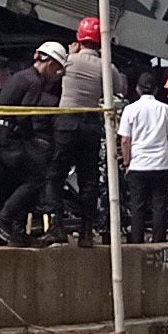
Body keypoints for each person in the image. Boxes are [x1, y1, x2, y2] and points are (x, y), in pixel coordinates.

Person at [0, 45, 62, 245]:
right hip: (6, 139)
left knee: (19, 179)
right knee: (37, 177)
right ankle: (3, 220)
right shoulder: (34, 82)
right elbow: (23, 115)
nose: (58, 75)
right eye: (58, 69)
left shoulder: (20, 76)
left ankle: (17, 233)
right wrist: (31, 139)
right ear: (50, 63)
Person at [58, 16, 111, 237]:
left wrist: (72, 53)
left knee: (56, 174)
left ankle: (55, 227)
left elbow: (55, 76)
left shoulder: (69, 60)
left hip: (66, 122)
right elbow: (119, 86)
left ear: (79, 39)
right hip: (90, 125)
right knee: (88, 178)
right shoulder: (106, 66)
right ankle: (87, 230)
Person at [120, 67, 168, 242]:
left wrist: (126, 162)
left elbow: (125, 140)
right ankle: (159, 240)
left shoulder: (130, 110)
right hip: (161, 165)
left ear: (138, 89)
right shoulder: (167, 110)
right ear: (156, 90)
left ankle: (137, 240)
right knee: (159, 206)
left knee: (137, 206)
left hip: (138, 166)